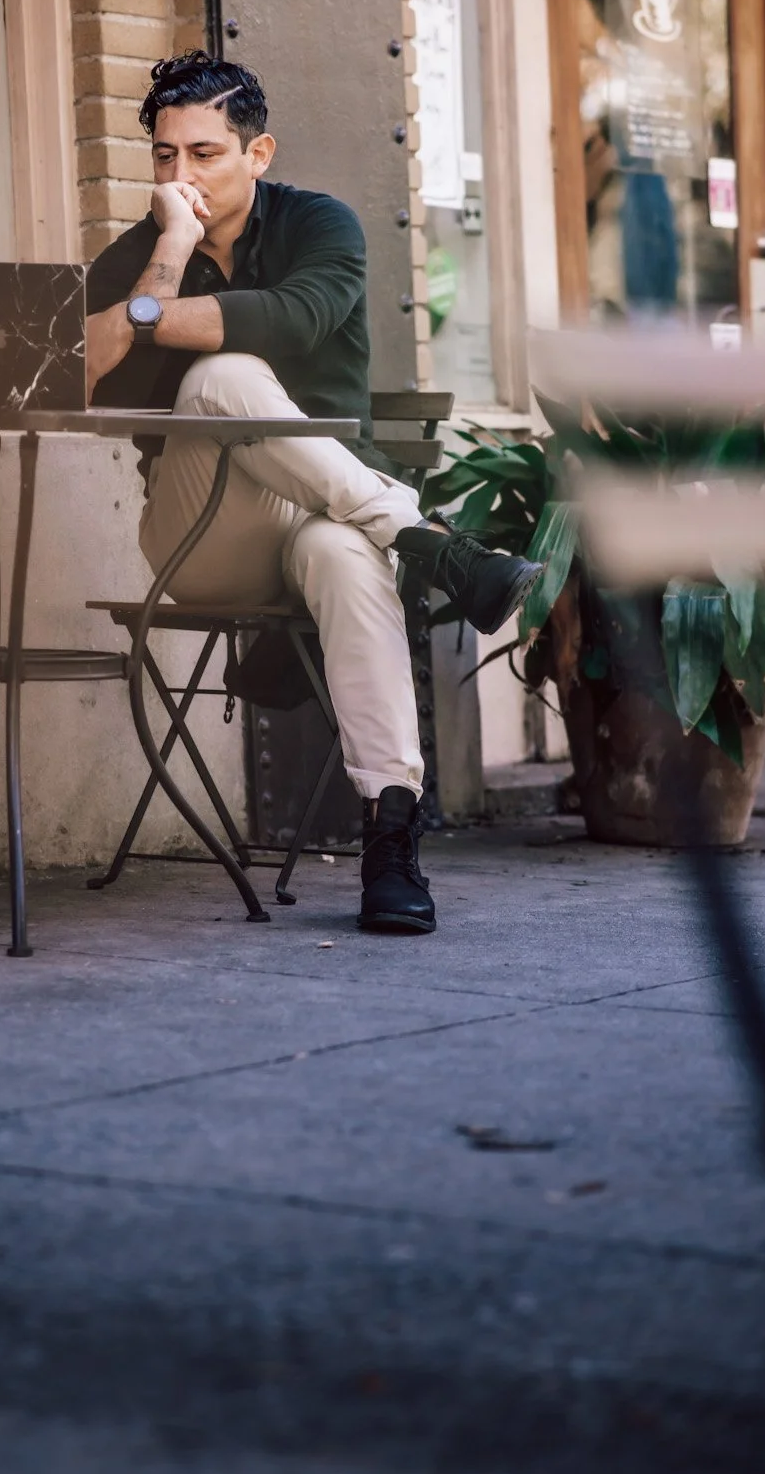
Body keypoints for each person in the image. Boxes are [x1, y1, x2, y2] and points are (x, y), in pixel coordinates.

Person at [86, 50, 541, 935]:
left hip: (314, 518)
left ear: (258, 155)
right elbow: (74, 369)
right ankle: (435, 548)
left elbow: (296, 315)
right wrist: (171, 255)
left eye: (205, 154)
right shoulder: (138, 252)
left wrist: (142, 326)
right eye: (164, 157)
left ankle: (391, 834)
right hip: (198, 535)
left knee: (340, 545)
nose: (180, 176)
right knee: (221, 377)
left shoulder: (321, 226)